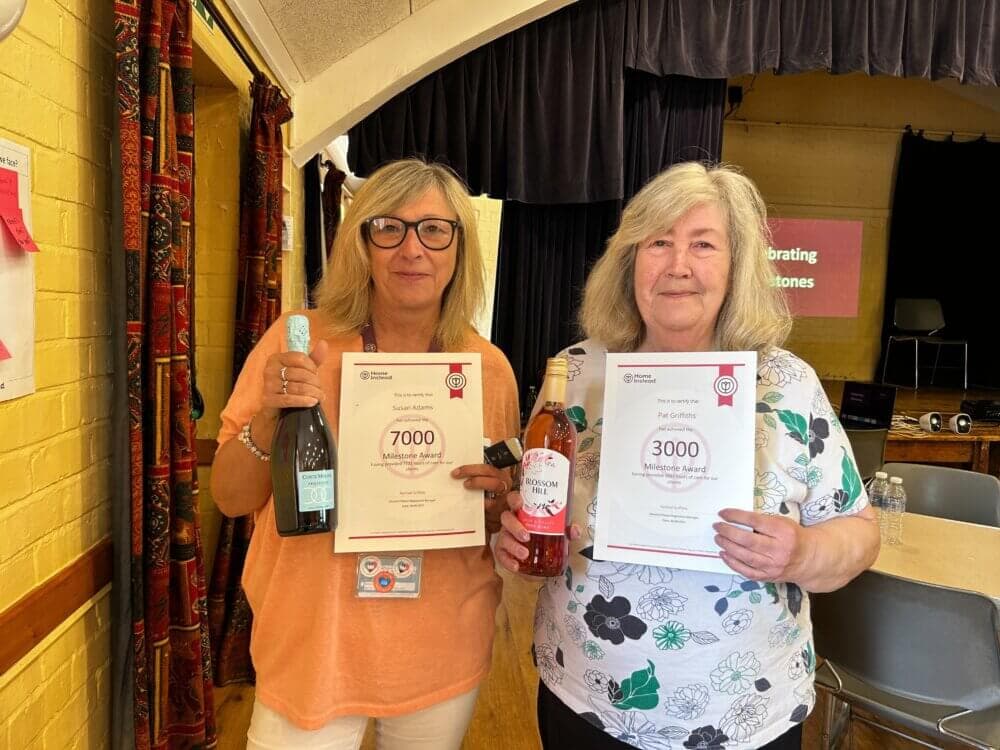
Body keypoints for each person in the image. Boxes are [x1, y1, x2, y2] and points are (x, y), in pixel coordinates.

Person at [497, 162, 880, 750]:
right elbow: (537, 509)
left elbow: (858, 532)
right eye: (658, 243)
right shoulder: (572, 373)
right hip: (587, 698)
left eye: (703, 244)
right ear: (629, 262)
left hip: (744, 714)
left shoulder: (787, 386)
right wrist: (520, 538)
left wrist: (802, 552)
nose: (678, 265)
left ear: (736, 267)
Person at [211, 159, 520, 749]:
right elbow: (230, 497)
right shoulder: (298, 341)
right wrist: (270, 413)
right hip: (312, 642)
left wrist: (498, 500)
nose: (412, 249)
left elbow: (491, 516)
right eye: (388, 228)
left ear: (459, 247)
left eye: (434, 229)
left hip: (438, 646)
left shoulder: (488, 370)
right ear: (361, 243)